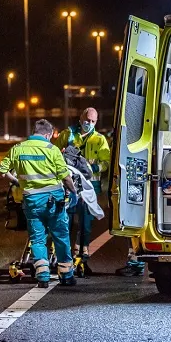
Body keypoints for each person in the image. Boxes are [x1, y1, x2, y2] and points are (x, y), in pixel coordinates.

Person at [0, 119, 78, 288]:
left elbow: (2, 170)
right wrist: (73, 191)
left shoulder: (18, 149)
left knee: (37, 239)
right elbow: (65, 176)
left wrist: (18, 182)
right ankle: (66, 275)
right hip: (53, 202)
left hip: (31, 202)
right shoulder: (52, 150)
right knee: (60, 237)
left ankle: (42, 276)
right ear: (48, 134)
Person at [54, 107, 110, 260]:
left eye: (92, 121)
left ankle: (83, 253)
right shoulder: (67, 135)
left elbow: (106, 162)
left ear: (96, 122)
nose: (89, 123)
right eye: (87, 120)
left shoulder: (100, 139)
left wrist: (92, 169)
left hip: (91, 186)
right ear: (80, 119)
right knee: (67, 221)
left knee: (86, 222)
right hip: (68, 186)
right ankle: (67, 253)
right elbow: (54, 156)